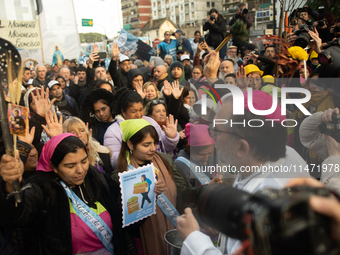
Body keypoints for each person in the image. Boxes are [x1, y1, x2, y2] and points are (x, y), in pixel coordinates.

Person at [0, 133, 127, 254]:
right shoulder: (43, 188)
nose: (80, 170)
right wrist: (12, 186)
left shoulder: (99, 180)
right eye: (70, 166)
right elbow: (16, 216)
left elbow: (123, 213)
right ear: (54, 167)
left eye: (84, 161)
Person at [116, 119, 176, 254]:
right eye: (146, 144)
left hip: (172, 231)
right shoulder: (122, 175)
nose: (153, 148)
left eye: (155, 143)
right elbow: (124, 223)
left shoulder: (164, 160)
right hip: (144, 240)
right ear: (131, 144)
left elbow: (182, 191)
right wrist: (149, 195)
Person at [104, 89, 179, 169]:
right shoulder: (113, 131)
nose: (138, 114)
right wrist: (134, 152)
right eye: (134, 111)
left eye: (141, 110)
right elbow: (114, 163)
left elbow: (165, 149)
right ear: (123, 112)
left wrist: (170, 138)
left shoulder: (150, 122)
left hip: (159, 168)